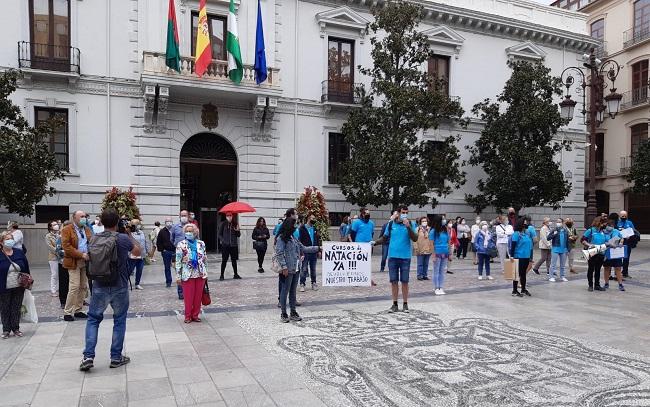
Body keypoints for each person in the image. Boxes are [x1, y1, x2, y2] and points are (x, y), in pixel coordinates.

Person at [79, 208, 141, 371]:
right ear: (117, 222)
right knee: (119, 321)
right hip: (119, 285)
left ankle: (88, 356)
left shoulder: (93, 238)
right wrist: (128, 233)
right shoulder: (122, 238)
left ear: (102, 222)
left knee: (93, 320)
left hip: (99, 284)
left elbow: (88, 257)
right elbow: (138, 251)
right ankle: (115, 357)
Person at [373, 206, 417, 313]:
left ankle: (405, 304)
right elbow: (384, 237)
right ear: (398, 213)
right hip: (393, 256)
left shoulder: (410, 224)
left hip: (405, 257)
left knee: (405, 281)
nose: (404, 214)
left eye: (406, 212)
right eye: (403, 212)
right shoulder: (391, 224)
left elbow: (415, 238)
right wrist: (375, 242)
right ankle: (395, 304)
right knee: (394, 281)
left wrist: (408, 227)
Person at [275, 217, 319, 323]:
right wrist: (284, 267)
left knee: (293, 291)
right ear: (289, 226)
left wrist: (318, 248)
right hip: (287, 269)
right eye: (294, 224)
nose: (296, 226)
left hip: (296, 269)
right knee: (285, 291)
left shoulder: (293, 238)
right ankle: (283, 313)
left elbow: (304, 248)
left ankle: (293, 312)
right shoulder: (281, 238)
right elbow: (279, 253)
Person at [62, 211, 92, 322]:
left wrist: (89, 253)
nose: (84, 218)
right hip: (73, 261)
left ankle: (78, 309)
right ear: (74, 218)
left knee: (83, 286)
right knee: (74, 286)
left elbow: (91, 242)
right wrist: (81, 254)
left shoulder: (87, 229)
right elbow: (67, 247)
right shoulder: (67, 229)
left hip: (85, 261)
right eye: (81, 217)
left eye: (85, 216)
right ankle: (68, 312)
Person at [0, 230, 30, 339]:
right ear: (1, 242)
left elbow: (26, 267)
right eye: (7, 239)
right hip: (4, 286)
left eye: (11, 239)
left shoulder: (19, 252)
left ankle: (16, 328)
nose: (10, 241)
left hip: (18, 285)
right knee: (5, 308)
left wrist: (28, 281)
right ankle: (6, 330)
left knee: (16, 307)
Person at [175, 224, 207, 323]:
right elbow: (178, 261)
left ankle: (195, 315)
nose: (189, 233)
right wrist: (178, 276)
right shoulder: (181, 244)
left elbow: (205, 258)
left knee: (198, 297)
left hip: (200, 273)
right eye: (187, 231)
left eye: (191, 231)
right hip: (187, 274)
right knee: (188, 297)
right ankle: (188, 316)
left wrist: (205, 272)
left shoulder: (201, 243)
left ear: (195, 232)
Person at [581, 217, 607, 292]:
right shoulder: (591, 230)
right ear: (599, 223)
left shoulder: (602, 231)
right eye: (603, 223)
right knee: (591, 269)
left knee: (598, 269)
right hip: (592, 253)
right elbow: (582, 240)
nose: (604, 225)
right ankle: (590, 285)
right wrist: (589, 245)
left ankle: (597, 285)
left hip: (601, 253)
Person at [296, 214, 321, 292]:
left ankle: (314, 283)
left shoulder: (315, 228)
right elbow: (299, 240)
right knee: (304, 268)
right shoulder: (302, 228)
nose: (314, 220)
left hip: (314, 251)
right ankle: (302, 284)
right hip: (305, 251)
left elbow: (317, 239)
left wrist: (318, 250)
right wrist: (301, 252)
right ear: (309, 219)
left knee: (313, 269)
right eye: (313, 218)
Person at [509, 218, 533, 297]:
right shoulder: (516, 234)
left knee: (523, 274)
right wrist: (511, 256)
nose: (526, 224)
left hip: (526, 256)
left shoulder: (525, 234)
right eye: (524, 223)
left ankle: (523, 289)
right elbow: (513, 246)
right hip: (518, 256)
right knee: (517, 274)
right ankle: (514, 290)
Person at [602, 213, 625, 292]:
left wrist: (621, 242)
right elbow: (602, 241)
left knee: (618, 268)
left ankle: (620, 284)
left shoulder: (616, 231)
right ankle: (606, 283)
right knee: (607, 268)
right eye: (609, 225)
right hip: (607, 252)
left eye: (612, 225)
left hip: (616, 252)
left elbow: (621, 238)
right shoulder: (603, 232)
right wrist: (608, 243)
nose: (610, 226)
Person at [171, 210, 191, 299]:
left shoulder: (192, 226)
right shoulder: (175, 227)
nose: (183, 217)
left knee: (189, 272)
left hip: (190, 253)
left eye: (185, 215)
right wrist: (178, 247)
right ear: (179, 216)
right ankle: (181, 292)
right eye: (182, 215)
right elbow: (172, 239)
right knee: (179, 272)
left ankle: (188, 291)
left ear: (188, 216)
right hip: (179, 253)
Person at [430, 215, 451, 295]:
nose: (444, 220)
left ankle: (441, 287)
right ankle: (436, 287)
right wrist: (433, 254)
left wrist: (449, 253)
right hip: (437, 252)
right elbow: (431, 243)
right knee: (436, 271)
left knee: (442, 271)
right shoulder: (433, 231)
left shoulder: (445, 230)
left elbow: (448, 241)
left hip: (445, 252)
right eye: (442, 219)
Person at [219, 212, 241, 280]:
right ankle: (222, 275)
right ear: (226, 216)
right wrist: (223, 241)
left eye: (230, 215)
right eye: (228, 216)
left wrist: (237, 230)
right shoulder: (223, 224)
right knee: (224, 260)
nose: (229, 217)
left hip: (233, 245)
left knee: (234, 260)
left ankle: (236, 274)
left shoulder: (235, 224)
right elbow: (219, 234)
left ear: (232, 216)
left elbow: (238, 235)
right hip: (225, 246)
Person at [547, 218, 570, 283]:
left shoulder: (565, 230)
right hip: (555, 248)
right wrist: (554, 234)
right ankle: (551, 277)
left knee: (563, 265)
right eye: (557, 222)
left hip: (564, 249)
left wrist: (568, 249)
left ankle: (562, 276)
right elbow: (548, 238)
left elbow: (567, 241)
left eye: (559, 222)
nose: (558, 223)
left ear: (562, 223)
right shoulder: (554, 229)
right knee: (553, 264)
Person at [128, 219, 147, 290]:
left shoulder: (142, 232)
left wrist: (147, 251)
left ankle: (137, 283)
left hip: (141, 255)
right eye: (137, 224)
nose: (138, 225)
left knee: (140, 269)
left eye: (139, 224)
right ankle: (125, 282)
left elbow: (145, 242)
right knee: (130, 270)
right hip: (133, 255)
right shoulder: (130, 233)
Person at [157, 217, 176, 288]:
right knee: (167, 267)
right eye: (167, 221)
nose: (169, 223)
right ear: (165, 223)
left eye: (170, 221)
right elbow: (159, 242)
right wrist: (162, 250)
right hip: (166, 252)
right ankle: (168, 282)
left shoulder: (174, 230)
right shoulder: (162, 231)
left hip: (175, 251)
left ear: (172, 222)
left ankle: (180, 280)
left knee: (177, 267)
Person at [617, 210, 637, 278]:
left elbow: (633, 231)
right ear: (620, 216)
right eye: (622, 216)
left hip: (627, 242)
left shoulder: (629, 222)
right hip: (618, 242)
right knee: (618, 257)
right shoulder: (617, 223)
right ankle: (618, 273)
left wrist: (630, 235)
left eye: (625, 216)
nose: (624, 217)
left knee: (626, 258)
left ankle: (625, 272)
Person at [45, 220, 61, 297]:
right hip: (53, 257)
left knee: (60, 274)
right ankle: (53, 290)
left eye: (56, 224)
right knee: (54, 274)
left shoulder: (59, 235)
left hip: (61, 257)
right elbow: (50, 247)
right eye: (54, 224)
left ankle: (60, 289)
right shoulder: (48, 236)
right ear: (50, 227)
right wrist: (59, 251)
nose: (56, 225)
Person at [415, 216, 433, 281]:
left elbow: (432, 239)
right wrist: (416, 248)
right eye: (423, 221)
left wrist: (432, 249)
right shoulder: (417, 229)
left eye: (425, 221)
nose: (424, 222)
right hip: (420, 249)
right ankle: (419, 275)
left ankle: (425, 275)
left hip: (428, 249)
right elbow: (415, 240)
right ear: (420, 222)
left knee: (426, 264)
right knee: (420, 264)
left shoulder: (430, 229)